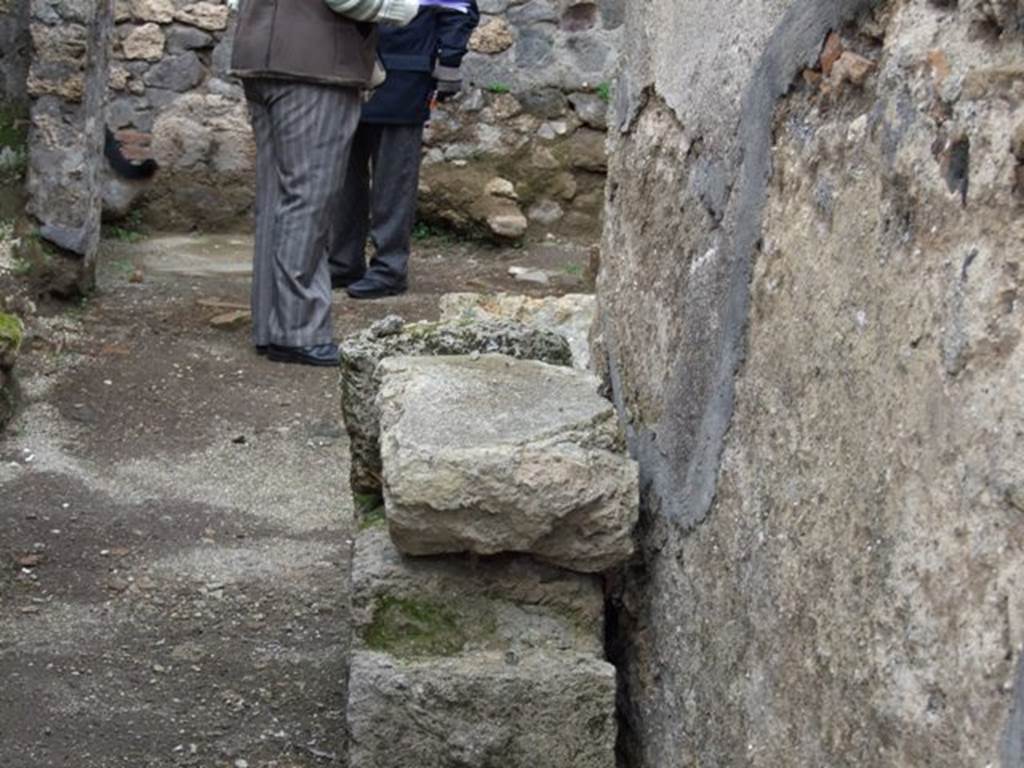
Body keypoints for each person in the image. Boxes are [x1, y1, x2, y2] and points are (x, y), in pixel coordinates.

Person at [229, 0, 420, 366]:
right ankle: (299, 332)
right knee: (308, 198)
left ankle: (275, 327)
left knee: (278, 197)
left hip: (260, 57)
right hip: (313, 66)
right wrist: (405, 7)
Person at [329, 1, 480, 299]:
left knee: (393, 179)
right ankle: (343, 262)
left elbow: (460, 9)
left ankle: (389, 269)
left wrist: (449, 61)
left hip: (403, 76)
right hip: (345, 71)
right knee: (342, 178)